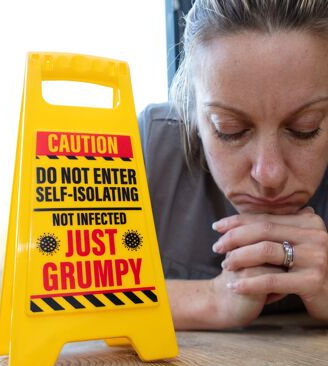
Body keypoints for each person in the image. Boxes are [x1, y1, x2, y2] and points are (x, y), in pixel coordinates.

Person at [139, 0, 328, 330]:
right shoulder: (147, 147)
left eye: (305, 128)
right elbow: (38, 293)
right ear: (192, 113)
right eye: (230, 130)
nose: (269, 175)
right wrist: (211, 298)